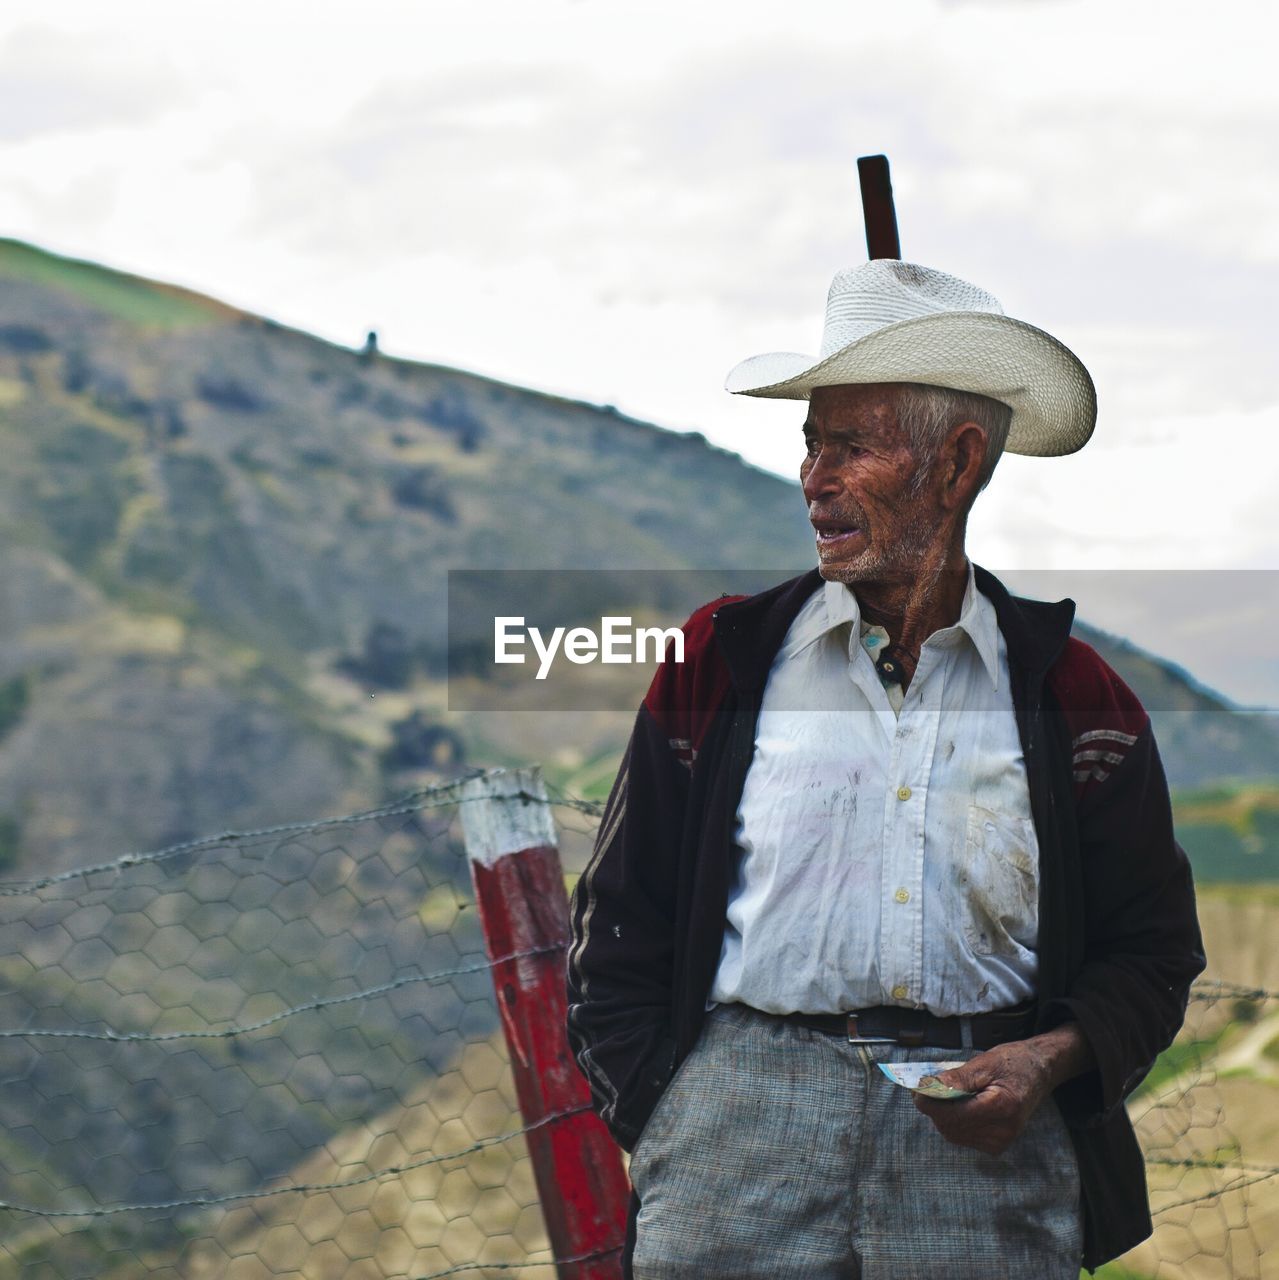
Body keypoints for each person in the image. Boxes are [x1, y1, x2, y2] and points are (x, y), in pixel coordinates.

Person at [566, 259, 1205, 1278]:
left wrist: (1045, 1060)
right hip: (736, 1129)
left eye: (849, 447)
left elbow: (1151, 950)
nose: (813, 480)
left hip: (986, 1154)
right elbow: (618, 916)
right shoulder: (720, 662)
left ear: (954, 465)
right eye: (810, 445)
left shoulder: (1074, 698)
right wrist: (667, 1112)